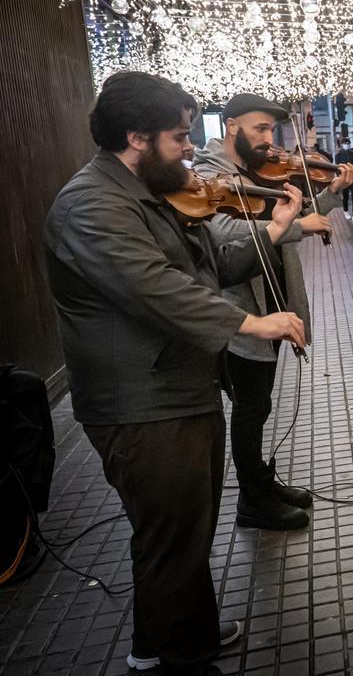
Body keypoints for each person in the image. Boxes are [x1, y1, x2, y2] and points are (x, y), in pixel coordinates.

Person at [44, 71, 307, 673]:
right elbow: (154, 288)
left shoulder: (150, 192)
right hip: (142, 405)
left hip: (176, 390)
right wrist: (252, 325)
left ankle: (155, 645)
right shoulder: (91, 203)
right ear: (136, 136)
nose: (192, 149)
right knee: (175, 543)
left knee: (173, 540)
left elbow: (213, 259)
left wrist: (273, 226)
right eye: (179, 137)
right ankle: (188, 656)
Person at [193, 93, 353, 531]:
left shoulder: (257, 169)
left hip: (273, 299)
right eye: (259, 129)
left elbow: (295, 217)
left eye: (271, 130)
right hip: (241, 311)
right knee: (251, 408)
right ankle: (252, 500)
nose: (269, 140)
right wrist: (294, 225)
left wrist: (331, 196)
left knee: (259, 405)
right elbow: (221, 232)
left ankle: (263, 482)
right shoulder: (208, 174)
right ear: (231, 125)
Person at [335, 138, 353, 220]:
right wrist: (339, 178)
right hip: (344, 179)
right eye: (345, 143)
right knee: (345, 196)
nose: (347, 145)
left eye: (348, 143)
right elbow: (337, 168)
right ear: (342, 144)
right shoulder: (338, 155)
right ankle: (346, 211)